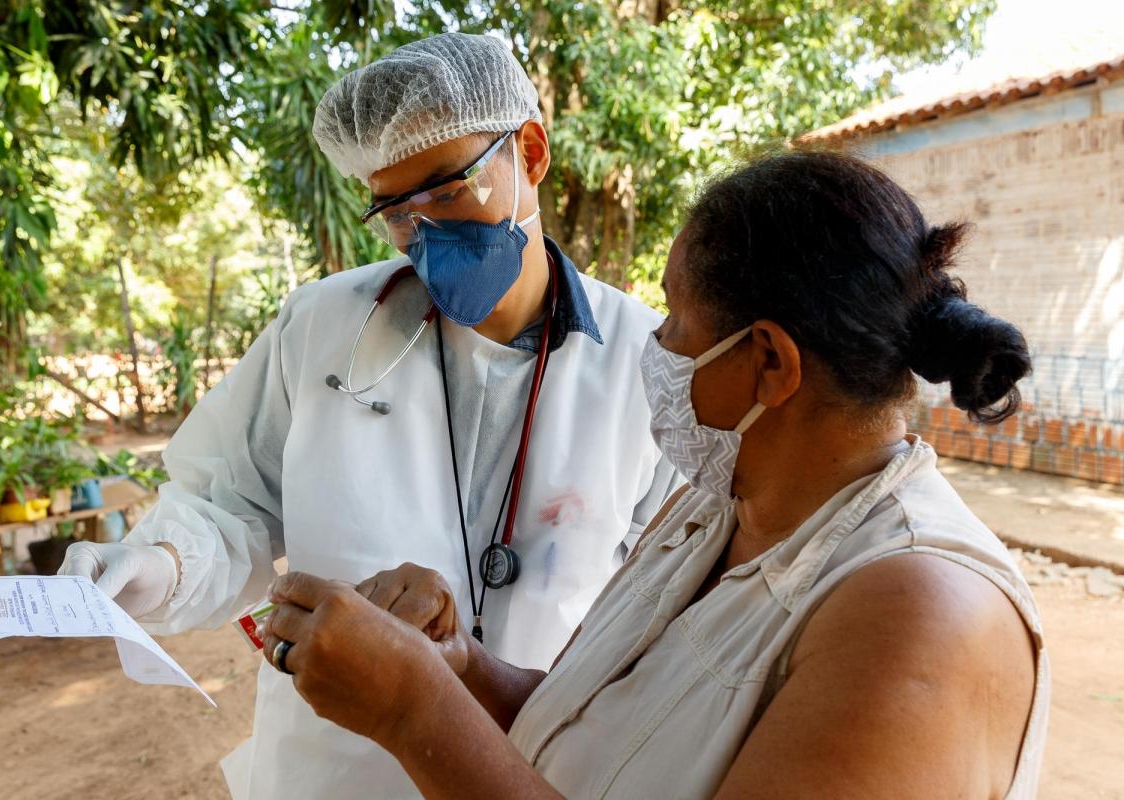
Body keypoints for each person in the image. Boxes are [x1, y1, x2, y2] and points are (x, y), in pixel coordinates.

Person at [258, 150, 1050, 799]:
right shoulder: (720, 508)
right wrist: (459, 664)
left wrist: (414, 709)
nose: (658, 347)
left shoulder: (922, 617)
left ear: (769, 362)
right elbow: (596, 733)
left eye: (675, 319)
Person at [58, 32, 677, 799]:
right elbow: (227, 506)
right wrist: (155, 565)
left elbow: (671, 610)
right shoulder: (322, 327)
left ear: (532, 151)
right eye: (397, 212)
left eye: (449, 192)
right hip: (335, 773)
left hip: (532, 769)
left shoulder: (651, 365)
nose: (428, 233)